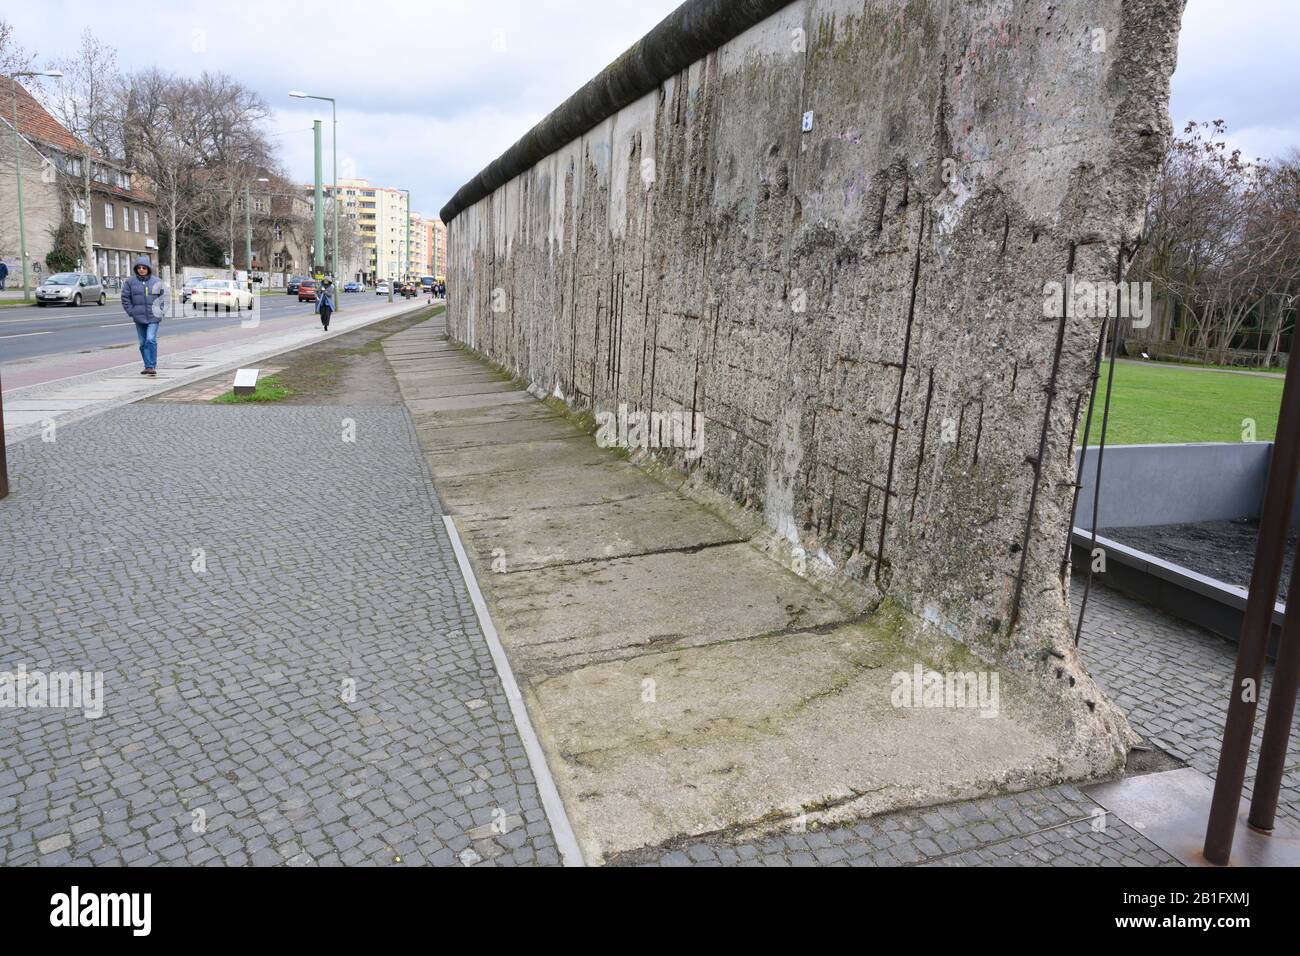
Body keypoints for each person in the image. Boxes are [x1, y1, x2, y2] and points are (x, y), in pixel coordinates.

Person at [121, 255, 166, 376]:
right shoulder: (130, 282)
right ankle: (147, 366)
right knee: (142, 342)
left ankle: (151, 365)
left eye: (144, 267)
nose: (141, 269)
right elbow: (125, 298)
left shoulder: (156, 281)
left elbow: (162, 298)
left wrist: (160, 310)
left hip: (153, 317)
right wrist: (132, 311)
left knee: (150, 339)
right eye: (139, 267)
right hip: (139, 317)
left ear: (148, 268)